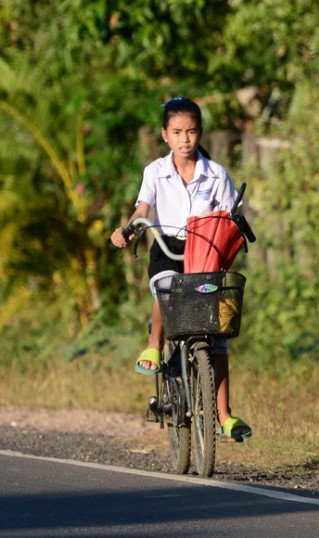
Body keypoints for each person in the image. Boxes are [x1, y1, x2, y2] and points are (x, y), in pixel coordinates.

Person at [110, 97, 251, 441]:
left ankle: (224, 414)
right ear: (165, 135)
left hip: (204, 250)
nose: (185, 139)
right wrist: (128, 229)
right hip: (166, 245)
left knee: (216, 335)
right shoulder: (155, 172)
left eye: (191, 131)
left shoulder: (216, 174)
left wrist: (235, 226)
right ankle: (155, 345)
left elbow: (233, 212)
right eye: (177, 132)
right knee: (166, 287)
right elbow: (143, 207)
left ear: (200, 133)